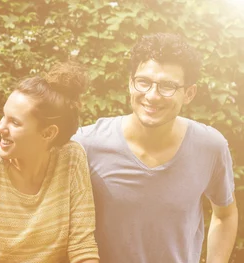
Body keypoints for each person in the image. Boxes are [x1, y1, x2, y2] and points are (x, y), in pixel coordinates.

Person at [72, 33, 238, 263]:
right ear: (130, 83)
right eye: (144, 82)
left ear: (189, 93)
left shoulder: (211, 146)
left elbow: (225, 215)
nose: (152, 95)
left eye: (168, 86)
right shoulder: (86, 144)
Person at [0, 62, 99, 263]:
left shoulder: (71, 158)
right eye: (4, 117)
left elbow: (82, 248)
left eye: (15, 122)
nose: (0, 127)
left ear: (48, 133)